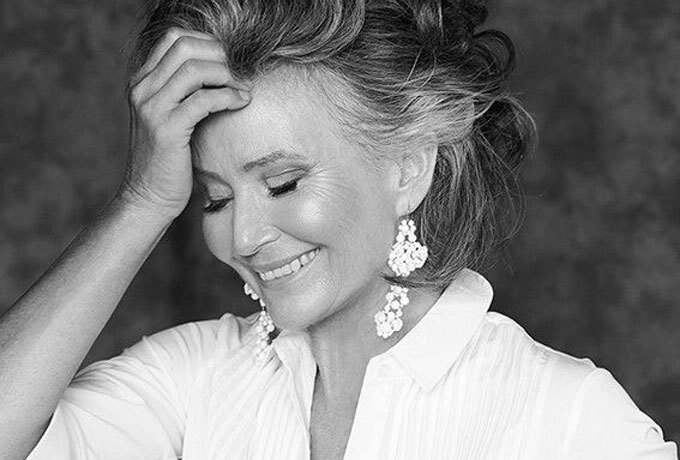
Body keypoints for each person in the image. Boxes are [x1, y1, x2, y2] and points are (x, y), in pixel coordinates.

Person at [1, 0, 676, 459]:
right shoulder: (193, 378)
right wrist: (144, 199)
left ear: (407, 168)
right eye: (214, 198)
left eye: (283, 183)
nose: (242, 237)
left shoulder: (565, 414)